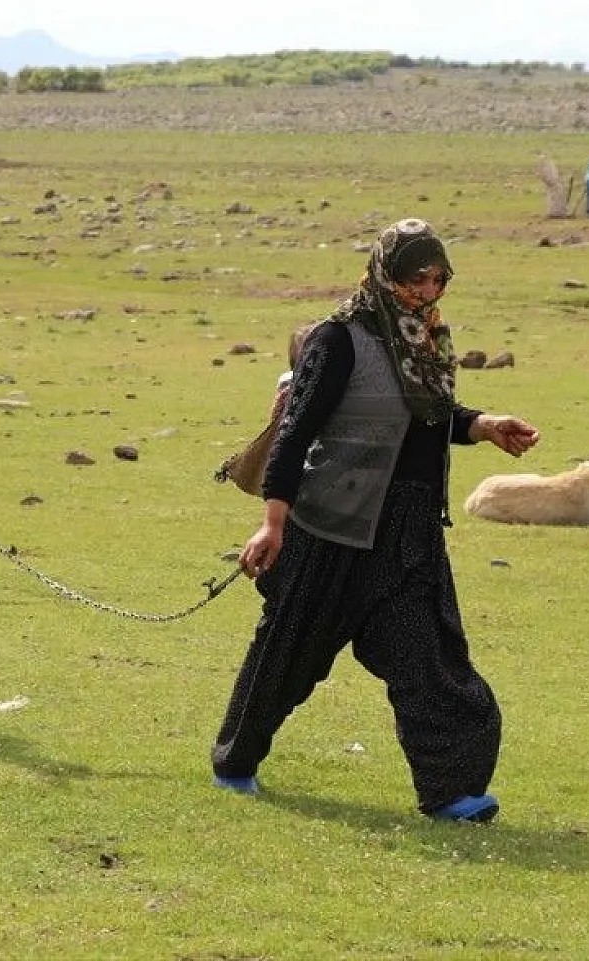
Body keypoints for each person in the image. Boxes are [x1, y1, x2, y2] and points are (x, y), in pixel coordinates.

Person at [211, 218, 540, 823]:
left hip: (408, 533)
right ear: (386, 272)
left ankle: (454, 793)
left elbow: (428, 418)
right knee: (288, 657)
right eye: (417, 278)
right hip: (330, 528)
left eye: (439, 279)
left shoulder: (429, 341)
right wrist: (272, 525)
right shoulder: (338, 340)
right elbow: (295, 435)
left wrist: (482, 425)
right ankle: (235, 764)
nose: (428, 290)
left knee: (432, 662)